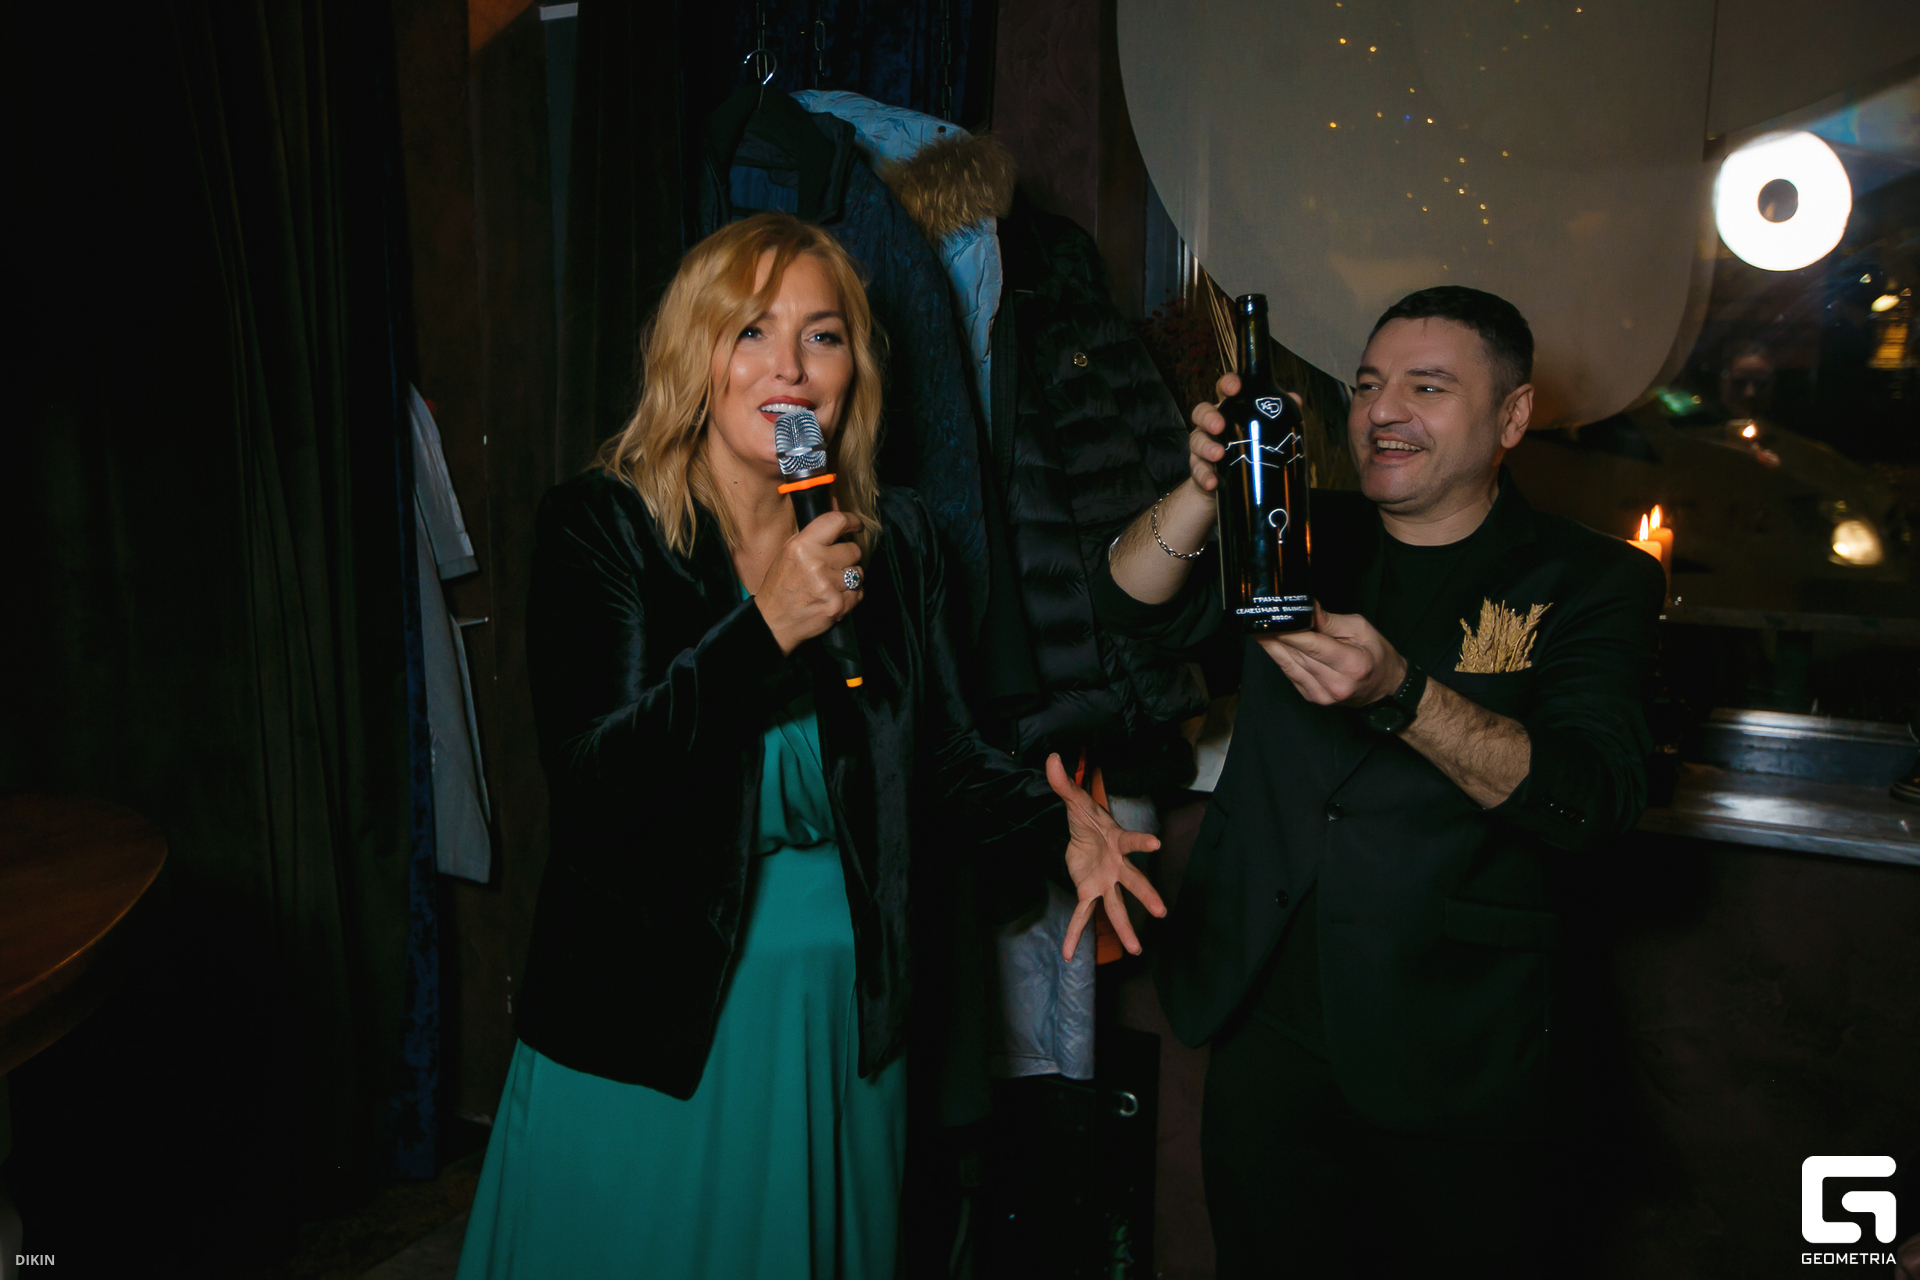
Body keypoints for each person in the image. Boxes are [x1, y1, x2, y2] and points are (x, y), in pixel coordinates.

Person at [456, 213, 1164, 1280]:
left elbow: (943, 759)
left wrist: (1056, 820)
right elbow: (602, 782)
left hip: (840, 1015)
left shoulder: (896, 541)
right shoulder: (608, 526)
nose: (788, 366)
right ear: (695, 355)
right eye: (751, 330)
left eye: (822, 336)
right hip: (657, 1020)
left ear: (853, 375)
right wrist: (765, 628)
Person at [1092, 286, 1664, 1277]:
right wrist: (1203, 488)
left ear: (1513, 416)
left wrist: (1401, 692)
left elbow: (1590, 796)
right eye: (1365, 386)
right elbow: (1128, 606)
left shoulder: (1590, 578)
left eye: (1427, 387)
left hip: (1458, 1048)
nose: (1382, 411)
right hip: (1268, 1029)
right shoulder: (1300, 530)